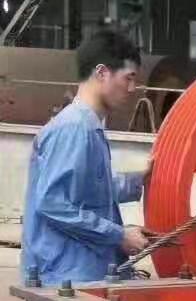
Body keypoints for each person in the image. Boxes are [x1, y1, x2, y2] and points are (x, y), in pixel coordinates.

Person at [22, 27, 150, 285]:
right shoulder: (75, 129)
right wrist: (119, 236)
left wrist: (141, 180)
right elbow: (53, 203)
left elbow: (90, 189)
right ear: (102, 73)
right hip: (64, 278)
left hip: (78, 274)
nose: (132, 88)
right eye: (128, 78)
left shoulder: (88, 126)